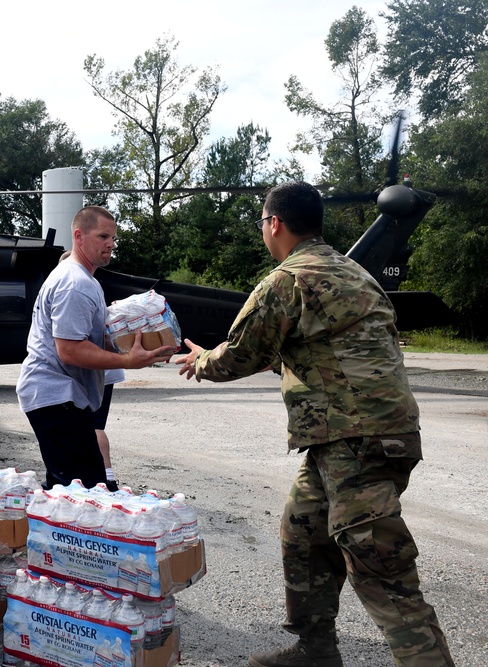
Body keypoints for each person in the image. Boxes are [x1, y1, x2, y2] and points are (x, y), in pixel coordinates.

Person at [175, 181, 454, 667]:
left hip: (356, 442)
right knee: (303, 531)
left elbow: (240, 354)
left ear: (274, 224)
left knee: (381, 573)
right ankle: (315, 649)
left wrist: (201, 361)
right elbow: (315, 351)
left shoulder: (289, 279)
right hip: (352, 439)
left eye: (262, 222)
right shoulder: (355, 273)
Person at [16, 205, 173, 489]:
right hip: (56, 397)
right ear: (79, 236)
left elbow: (90, 338)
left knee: (67, 491)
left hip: (59, 397)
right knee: (86, 493)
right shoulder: (75, 283)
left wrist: (135, 336)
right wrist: (129, 361)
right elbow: (70, 350)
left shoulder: (85, 280)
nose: (111, 244)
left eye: (112, 238)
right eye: (103, 236)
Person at [94, 368, 125, 491]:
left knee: (91, 427)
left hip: (88, 371)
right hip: (107, 370)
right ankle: (108, 478)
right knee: (96, 426)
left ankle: (106, 480)